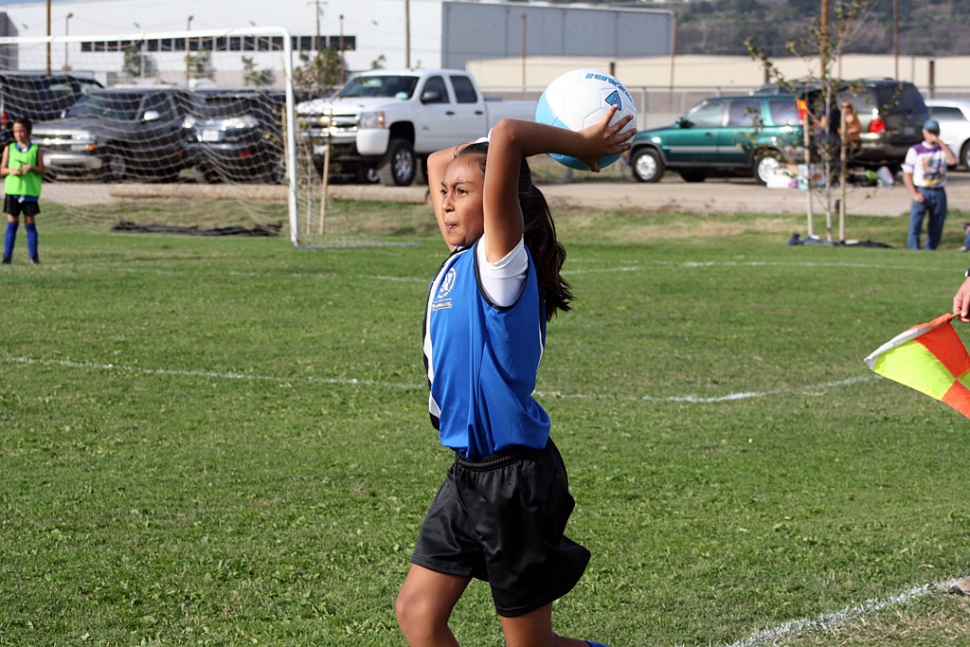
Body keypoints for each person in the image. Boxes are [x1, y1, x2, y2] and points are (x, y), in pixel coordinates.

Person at [395, 110, 634, 647]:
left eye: (462, 191)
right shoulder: (458, 258)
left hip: (516, 481)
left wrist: (581, 143)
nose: (447, 201)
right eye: (444, 193)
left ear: (502, 201)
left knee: (531, 646)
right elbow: (439, 160)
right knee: (417, 615)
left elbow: (507, 135)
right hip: (468, 474)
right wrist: (465, 164)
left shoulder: (500, 262)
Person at [903, 118, 957, 251]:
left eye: (935, 132)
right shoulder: (916, 150)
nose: (932, 135)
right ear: (924, 133)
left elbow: (952, 161)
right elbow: (907, 173)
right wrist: (914, 193)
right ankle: (913, 249)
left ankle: (930, 249)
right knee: (916, 224)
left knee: (937, 223)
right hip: (923, 190)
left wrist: (941, 143)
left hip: (939, 190)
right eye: (930, 132)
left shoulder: (942, 150)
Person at [1, 117, 45, 264]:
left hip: (30, 192)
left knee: (30, 223)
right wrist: (11, 171)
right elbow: (2, 169)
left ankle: (34, 257)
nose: (18, 134)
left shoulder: (36, 149)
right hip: (13, 191)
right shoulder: (10, 148)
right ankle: (7, 257)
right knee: (12, 224)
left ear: (28, 131)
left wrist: (31, 167)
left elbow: (42, 170)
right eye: (15, 131)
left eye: (21, 131)